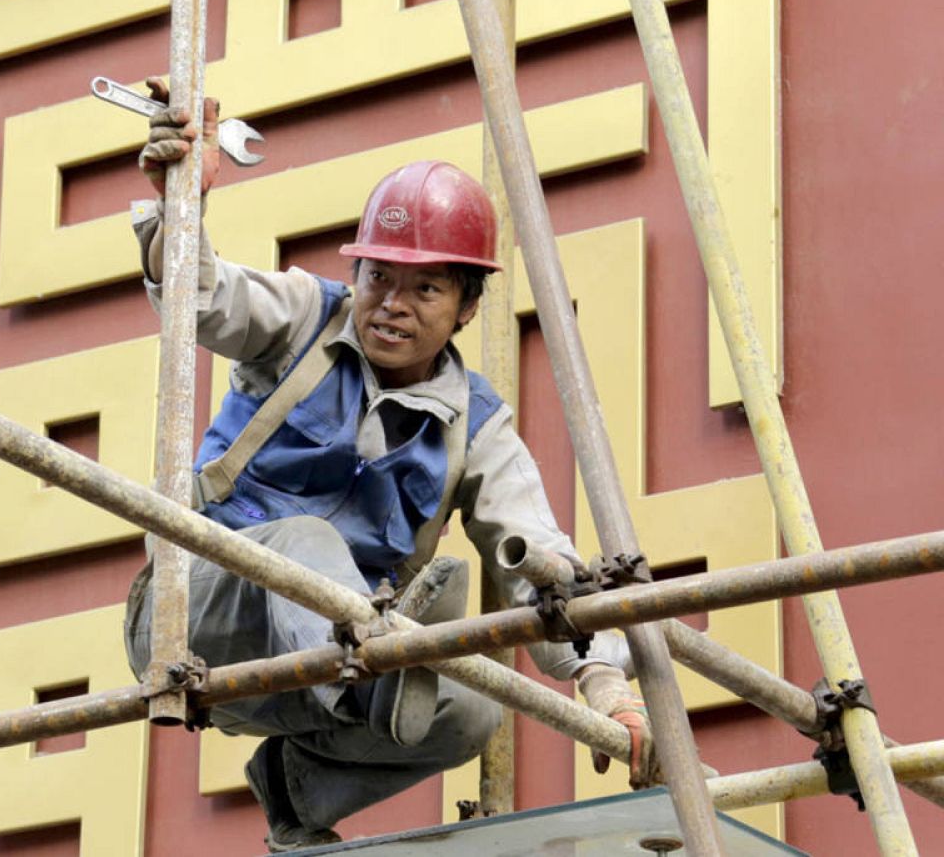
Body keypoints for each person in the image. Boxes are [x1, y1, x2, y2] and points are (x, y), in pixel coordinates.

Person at [120, 81, 657, 852]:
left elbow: (540, 559)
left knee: (472, 708)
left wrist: (606, 683)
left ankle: (295, 789)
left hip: (321, 675)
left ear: (467, 306)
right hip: (199, 613)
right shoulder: (304, 316)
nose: (390, 305)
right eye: (378, 278)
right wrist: (181, 206)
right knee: (307, 546)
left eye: (425, 288)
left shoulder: (478, 424)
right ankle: (374, 665)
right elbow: (200, 297)